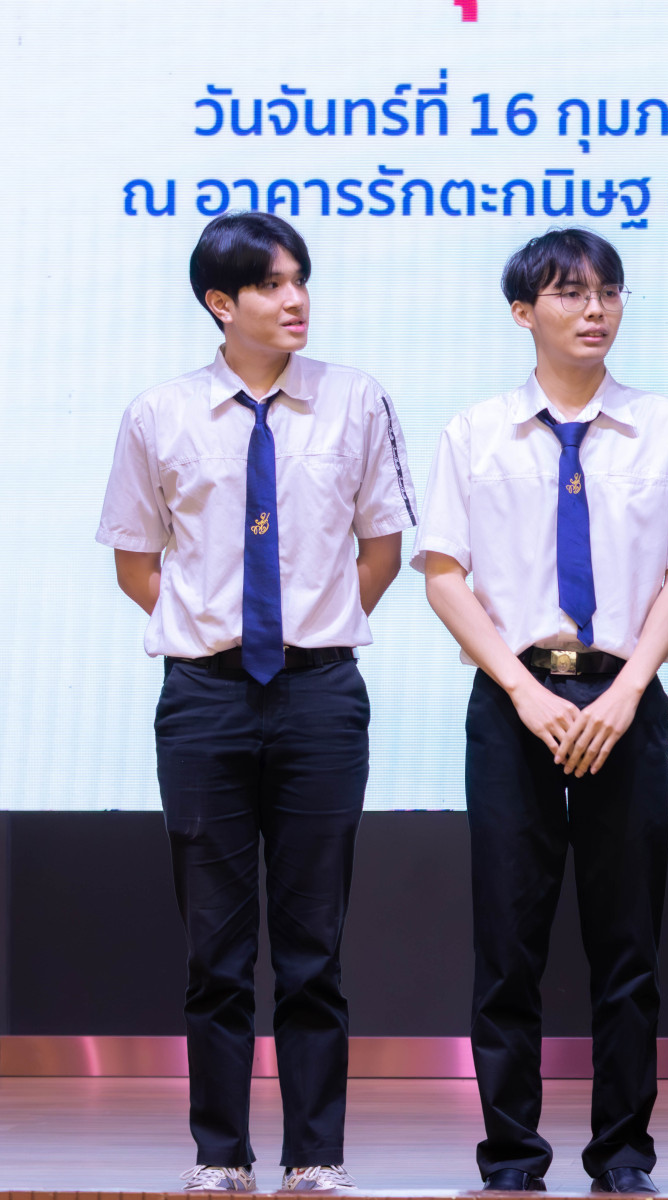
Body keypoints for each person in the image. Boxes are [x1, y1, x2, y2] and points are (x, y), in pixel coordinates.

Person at [415, 227, 668, 1194]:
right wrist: (522, 692)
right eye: (568, 293)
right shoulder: (475, 433)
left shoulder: (667, 425)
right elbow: (443, 575)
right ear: (523, 312)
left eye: (608, 291)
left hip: (624, 697)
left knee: (628, 945)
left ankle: (624, 1153)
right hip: (512, 698)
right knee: (507, 946)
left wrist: (629, 687)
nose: (594, 309)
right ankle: (512, 1156)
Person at [97, 211, 416, 1192]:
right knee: (218, 948)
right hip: (205, 699)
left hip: (321, 697)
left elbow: (382, 547)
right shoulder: (160, 414)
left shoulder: (357, 399)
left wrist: (312, 628)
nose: (295, 299)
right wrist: (213, 630)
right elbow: (136, 562)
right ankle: (220, 1155)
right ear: (219, 302)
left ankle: (315, 1155)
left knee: (315, 946)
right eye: (272, 284)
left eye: (300, 279)